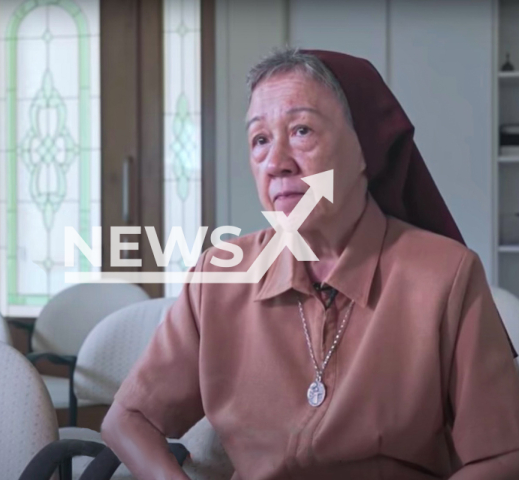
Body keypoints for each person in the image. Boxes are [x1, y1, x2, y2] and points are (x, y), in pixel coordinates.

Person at [101, 49, 519, 479]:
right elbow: (129, 419)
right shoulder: (219, 276)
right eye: (260, 140)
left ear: (366, 150)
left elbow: (501, 458)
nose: (275, 162)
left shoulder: (446, 276)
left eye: (301, 131)